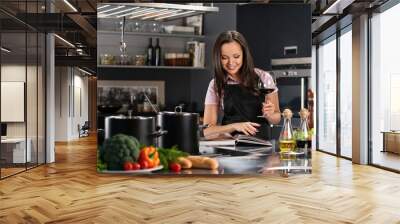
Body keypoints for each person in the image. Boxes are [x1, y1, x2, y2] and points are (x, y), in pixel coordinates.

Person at [203, 30, 281, 140]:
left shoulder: (263, 77)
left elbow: (277, 118)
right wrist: (235, 126)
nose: (231, 63)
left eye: (236, 56)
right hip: (230, 148)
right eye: (224, 58)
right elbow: (207, 131)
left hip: (261, 148)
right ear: (218, 58)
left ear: (244, 54)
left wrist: (270, 115)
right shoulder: (216, 84)